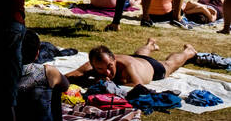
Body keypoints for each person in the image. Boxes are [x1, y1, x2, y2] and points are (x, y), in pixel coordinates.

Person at [69, 40, 197, 87]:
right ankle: (150, 44)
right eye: (100, 69)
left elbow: (138, 84)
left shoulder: (126, 66)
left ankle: (188, 52)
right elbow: (70, 76)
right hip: (137, 59)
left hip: (153, 68)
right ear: (93, 65)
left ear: (114, 59)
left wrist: (109, 82)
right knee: (140, 54)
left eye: (109, 67)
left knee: (170, 63)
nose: (107, 72)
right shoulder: (92, 64)